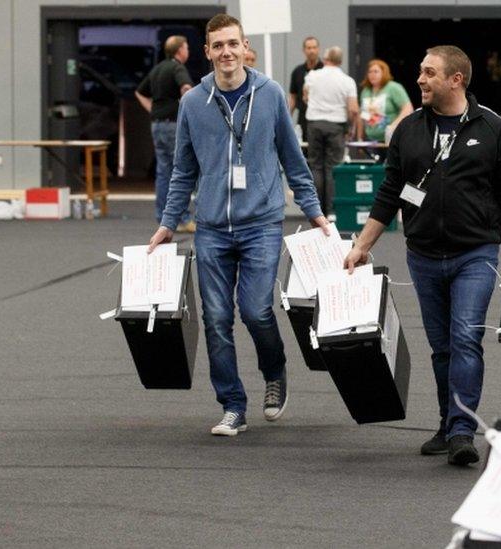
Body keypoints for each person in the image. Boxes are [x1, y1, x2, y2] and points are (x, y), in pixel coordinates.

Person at [343, 45, 501, 466]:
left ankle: (462, 430)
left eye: (428, 73)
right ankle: (447, 423)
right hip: (422, 255)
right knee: (441, 347)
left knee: (464, 338)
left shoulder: (493, 128)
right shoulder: (408, 130)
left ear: (456, 79)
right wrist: (361, 246)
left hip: (475, 253)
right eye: (421, 72)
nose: (419, 80)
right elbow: (390, 193)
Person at [148, 14, 329, 437]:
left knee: (255, 309)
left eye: (233, 44)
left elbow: (292, 158)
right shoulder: (193, 103)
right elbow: (182, 170)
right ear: (207, 52)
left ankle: (274, 372)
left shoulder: (269, 94)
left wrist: (313, 210)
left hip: (261, 222)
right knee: (215, 318)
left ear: (245, 46)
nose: (227, 52)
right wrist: (168, 223)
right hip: (211, 226)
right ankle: (232, 404)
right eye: (218, 46)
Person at [135, 35, 195, 232]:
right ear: (179, 51)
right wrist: (192, 109)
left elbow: (139, 92)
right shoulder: (178, 67)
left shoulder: (158, 68)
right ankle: (184, 219)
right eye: (186, 47)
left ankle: (163, 217)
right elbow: (186, 88)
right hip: (172, 125)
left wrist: (152, 109)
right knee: (181, 171)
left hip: (157, 125)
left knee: (163, 172)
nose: (188, 51)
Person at [303, 46, 358, 218]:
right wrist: (350, 128)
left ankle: (316, 211)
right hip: (336, 125)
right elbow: (353, 109)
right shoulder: (347, 81)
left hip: (314, 123)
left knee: (316, 166)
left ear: (325, 59)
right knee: (332, 167)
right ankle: (333, 211)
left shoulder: (312, 75)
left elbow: (305, 97)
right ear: (340, 61)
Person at [357, 59, 413, 144]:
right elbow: (361, 115)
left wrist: (393, 126)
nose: (372, 75)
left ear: (384, 73)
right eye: (370, 72)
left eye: (376, 72)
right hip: (371, 140)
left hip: (391, 139)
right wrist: (360, 138)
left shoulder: (393, 87)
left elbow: (408, 109)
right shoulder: (366, 91)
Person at [289, 36, 323, 132]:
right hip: (303, 117)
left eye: (314, 47)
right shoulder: (298, 71)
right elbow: (293, 97)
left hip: (321, 116)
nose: (312, 51)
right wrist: (287, 117)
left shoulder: (325, 70)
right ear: (304, 50)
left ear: (318, 49)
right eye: (309, 48)